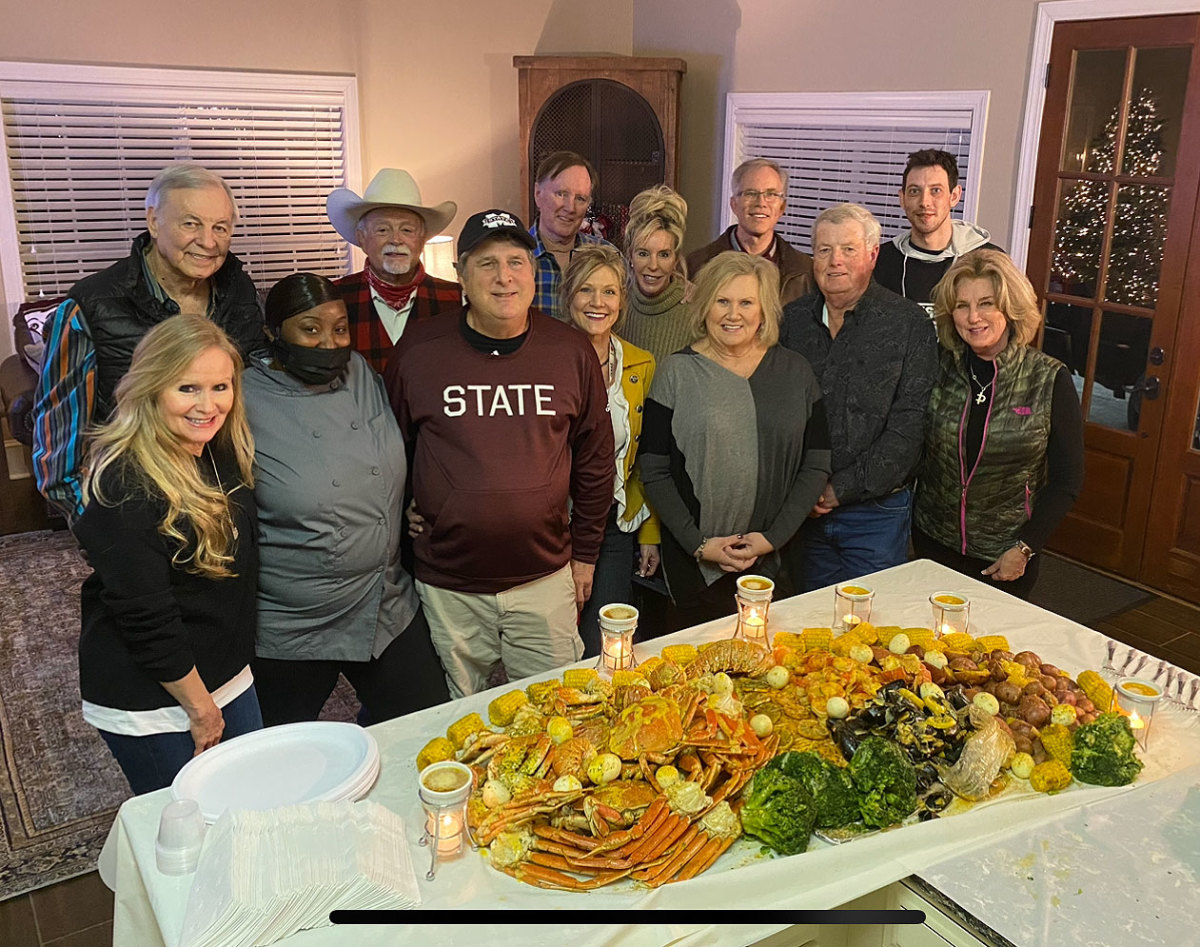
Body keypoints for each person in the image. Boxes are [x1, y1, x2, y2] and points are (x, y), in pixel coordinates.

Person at [384, 209, 614, 698]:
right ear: (462, 274)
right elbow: (390, 449)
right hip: (448, 584)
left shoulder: (570, 352)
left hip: (544, 578)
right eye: (487, 263)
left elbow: (595, 460)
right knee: (453, 720)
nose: (504, 277)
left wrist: (587, 554)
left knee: (560, 711)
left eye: (516, 261)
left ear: (533, 273)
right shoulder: (420, 351)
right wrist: (400, 507)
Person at [241, 273, 450, 725]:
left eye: (339, 328)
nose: (328, 343)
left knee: (427, 727)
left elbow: (393, 450)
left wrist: (407, 501)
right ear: (273, 333)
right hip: (295, 616)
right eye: (310, 329)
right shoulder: (242, 397)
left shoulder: (359, 373)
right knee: (273, 759)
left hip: (383, 596)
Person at [72, 315, 261, 795]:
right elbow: (146, 616)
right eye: (187, 388)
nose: (208, 404)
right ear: (152, 388)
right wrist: (201, 709)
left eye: (220, 386)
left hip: (224, 673)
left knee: (251, 805)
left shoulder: (214, 451)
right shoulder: (125, 482)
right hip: (155, 697)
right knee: (189, 830)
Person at [33, 163, 265, 524]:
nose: (208, 241)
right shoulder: (92, 306)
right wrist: (101, 532)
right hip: (138, 509)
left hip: (225, 503)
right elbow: (59, 448)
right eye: (191, 223)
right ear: (154, 222)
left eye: (221, 227)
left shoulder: (239, 293)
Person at [640, 251, 831, 624]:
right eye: (722, 301)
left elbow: (817, 460)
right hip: (694, 567)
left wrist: (773, 537)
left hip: (776, 562)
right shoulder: (675, 373)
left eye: (746, 302)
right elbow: (653, 467)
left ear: (764, 311)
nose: (733, 314)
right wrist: (698, 545)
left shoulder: (796, 371)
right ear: (704, 306)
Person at [781, 203, 937, 591]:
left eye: (848, 249)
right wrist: (806, 488)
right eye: (823, 250)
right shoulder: (791, 321)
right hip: (801, 511)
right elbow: (776, 413)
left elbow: (910, 426)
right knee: (805, 624)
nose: (835, 262)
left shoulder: (908, 324)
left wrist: (839, 490)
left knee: (868, 627)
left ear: (872, 254)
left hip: (876, 514)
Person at [913, 250, 1084, 599]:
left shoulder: (1048, 377)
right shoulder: (936, 366)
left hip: (1005, 556)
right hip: (933, 544)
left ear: (1010, 307)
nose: (973, 317)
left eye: (987, 303)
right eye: (962, 306)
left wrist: (1025, 547)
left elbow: (1068, 480)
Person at [560, 246, 660, 656]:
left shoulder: (640, 364)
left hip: (615, 525)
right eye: (586, 290)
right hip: (555, 529)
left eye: (609, 292)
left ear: (622, 298)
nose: (598, 303)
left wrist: (649, 534)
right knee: (556, 644)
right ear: (569, 296)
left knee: (609, 638)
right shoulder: (545, 360)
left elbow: (646, 460)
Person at [326, 168, 462, 372]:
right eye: (382, 229)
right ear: (362, 238)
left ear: (423, 238)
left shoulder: (457, 299)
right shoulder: (333, 299)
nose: (396, 240)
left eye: (407, 230)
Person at [874, 149, 1002, 313]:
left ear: (954, 196)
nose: (924, 202)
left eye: (936, 191)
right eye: (914, 191)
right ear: (902, 198)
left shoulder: (990, 261)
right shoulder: (880, 262)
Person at [686, 158, 813, 305]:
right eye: (751, 193)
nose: (761, 203)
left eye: (771, 194)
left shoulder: (805, 272)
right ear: (734, 204)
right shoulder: (696, 266)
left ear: (781, 208)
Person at [528, 151, 613, 321]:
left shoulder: (606, 255)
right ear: (538, 194)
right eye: (561, 194)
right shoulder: (515, 257)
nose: (570, 208)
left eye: (580, 198)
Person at [621, 185, 693, 362]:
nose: (653, 266)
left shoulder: (695, 308)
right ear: (630, 255)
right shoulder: (615, 304)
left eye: (664, 255)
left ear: (675, 259)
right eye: (643, 254)